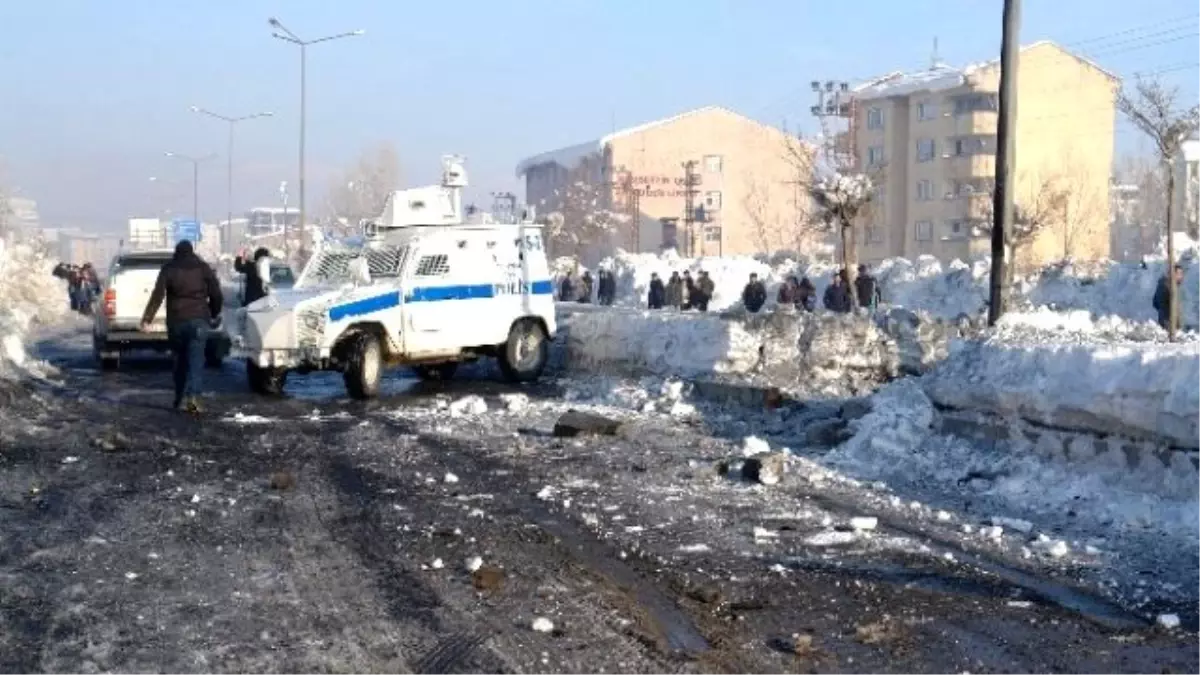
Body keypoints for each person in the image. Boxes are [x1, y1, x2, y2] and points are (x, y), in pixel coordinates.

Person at [140, 240, 223, 413]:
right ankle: (193, 397)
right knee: (196, 360)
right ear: (192, 251)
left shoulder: (169, 268)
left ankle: (179, 397)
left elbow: (157, 296)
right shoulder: (203, 268)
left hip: (176, 321)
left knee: (179, 360)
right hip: (199, 319)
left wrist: (147, 318)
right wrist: (214, 313)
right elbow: (216, 293)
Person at [1153, 263, 1185, 331]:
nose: (1181, 276)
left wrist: (1161, 311)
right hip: (1171, 325)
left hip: (1163, 321)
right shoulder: (1170, 287)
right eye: (1179, 273)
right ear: (1173, 274)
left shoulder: (1161, 284)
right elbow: (1175, 308)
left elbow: (1155, 303)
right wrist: (1178, 324)